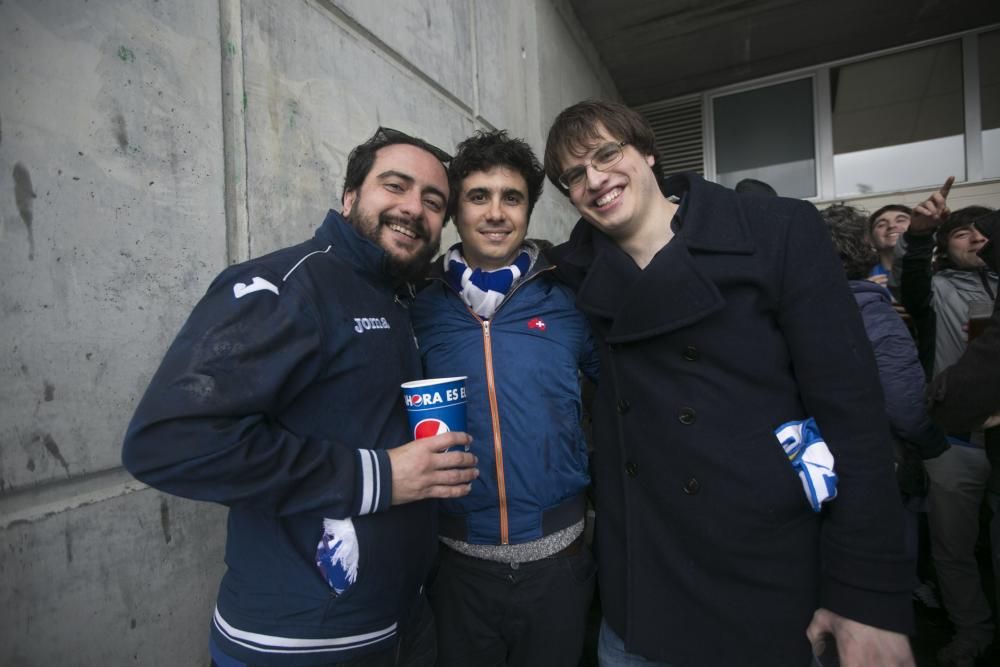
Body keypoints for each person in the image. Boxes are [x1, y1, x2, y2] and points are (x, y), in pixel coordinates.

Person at [542, 99, 914, 667]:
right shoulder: (574, 271)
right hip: (642, 603)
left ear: (647, 152)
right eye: (573, 175)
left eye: (606, 154)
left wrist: (867, 598)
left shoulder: (776, 233)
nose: (594, 179)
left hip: (764, 591)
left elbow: (854, 422)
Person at [121, 127, 480, 667]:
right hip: (297, 647)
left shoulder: (399, 299)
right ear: (350, 196)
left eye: (434, 201)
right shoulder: (287, 285)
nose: (414, 208)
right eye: (395, 186)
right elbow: (169, 442)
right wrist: (377, 476)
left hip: (402, 624)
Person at [410, 129, 600, 666]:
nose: (496, 213)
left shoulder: (569, 301)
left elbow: (620, 399)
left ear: (529, 210)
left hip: (559, 562)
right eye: (478, 197)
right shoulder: (419, 307)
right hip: (455, 566)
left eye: (511, 198)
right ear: (454, 211)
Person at [896, 183, 999, 667]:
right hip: (955, 443)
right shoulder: (934, 291)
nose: (976, 240)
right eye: (963, 233)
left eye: (984, 233)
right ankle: (971, 633)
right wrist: (918, 237)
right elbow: (912, 279)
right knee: (952, 550)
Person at [819, 203, 948, 566]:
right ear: (865, 247)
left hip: (815, 465)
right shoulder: (874, 315)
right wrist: (932, 445)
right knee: (886, 567)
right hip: (877, 463)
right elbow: (904, 404)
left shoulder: (796, 309)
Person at [868, 204, 912, 292]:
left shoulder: (937, 275)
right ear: (871, 240)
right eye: (881, 225)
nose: (891, 226)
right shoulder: (860, 278)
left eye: (900, 220)